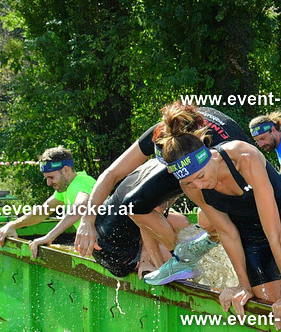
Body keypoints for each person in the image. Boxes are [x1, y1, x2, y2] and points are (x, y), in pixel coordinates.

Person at [155, 109, 281, 317]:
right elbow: (227, 233)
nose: (199, 185)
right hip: (253, 230)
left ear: (209, 157)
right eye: (189, 182)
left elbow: (275, 234)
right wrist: (242, 284)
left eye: (200, 176)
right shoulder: (191, 186)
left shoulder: (244, 157)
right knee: (266, 304)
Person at [74, 104, 250, 281]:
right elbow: (111, 173)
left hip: (229, 167)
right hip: (195, 152)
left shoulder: (222, 152)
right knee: (137, 204)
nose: (170, 172)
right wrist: (87, 219)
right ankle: (181, 259)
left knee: (214, 220)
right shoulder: (165, 130)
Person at [91, 160, 191, 278]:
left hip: (101, 237)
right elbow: (145, 220)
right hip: (118, 253)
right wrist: (149, 262)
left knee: (182, 224)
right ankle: (146, 262)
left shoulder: (157, 163)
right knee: (187, 254)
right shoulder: (167, 179)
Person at [0, 147, 96, 258]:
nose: (48, 183)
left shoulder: (79, 185)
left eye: (51, 177)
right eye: (47, 178)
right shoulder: (68, 186)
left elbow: (82, 204)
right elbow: (43, 211)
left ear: (66, 170)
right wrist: (13, 225)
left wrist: (49, 237)